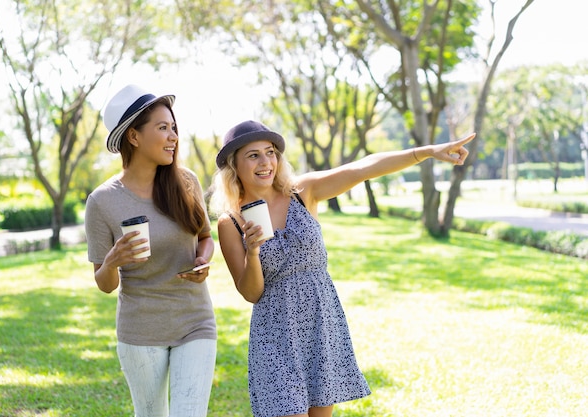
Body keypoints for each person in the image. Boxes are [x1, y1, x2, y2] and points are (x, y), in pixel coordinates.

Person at [210, 120, 475, 417]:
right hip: (275, 336)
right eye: (253, 155)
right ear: (234, 165)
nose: (266, 162)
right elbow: (250, 293)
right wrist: (254, 251)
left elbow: (364, 168)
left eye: (270, 152)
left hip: (321, 325)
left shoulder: (303, 192)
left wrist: (427, 151)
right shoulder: (230, 222)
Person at [84, 84, 217, 417]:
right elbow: (104, 282)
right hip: (140, 329)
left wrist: (203, 259)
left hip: (194, 319)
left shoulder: (185, 181)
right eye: (163, 128)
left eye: (174, 128)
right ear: (134, 137)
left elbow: (205, 236)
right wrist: (113, 261)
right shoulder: (102, 201)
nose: (173, 136)